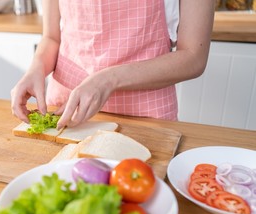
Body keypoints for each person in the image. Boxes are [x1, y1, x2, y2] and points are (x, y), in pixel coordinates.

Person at [11, 0, 215, 129]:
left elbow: (193, 57)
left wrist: (107, 80)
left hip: (145, 117)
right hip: (65, 109)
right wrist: (36, 68)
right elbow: (52, 37)